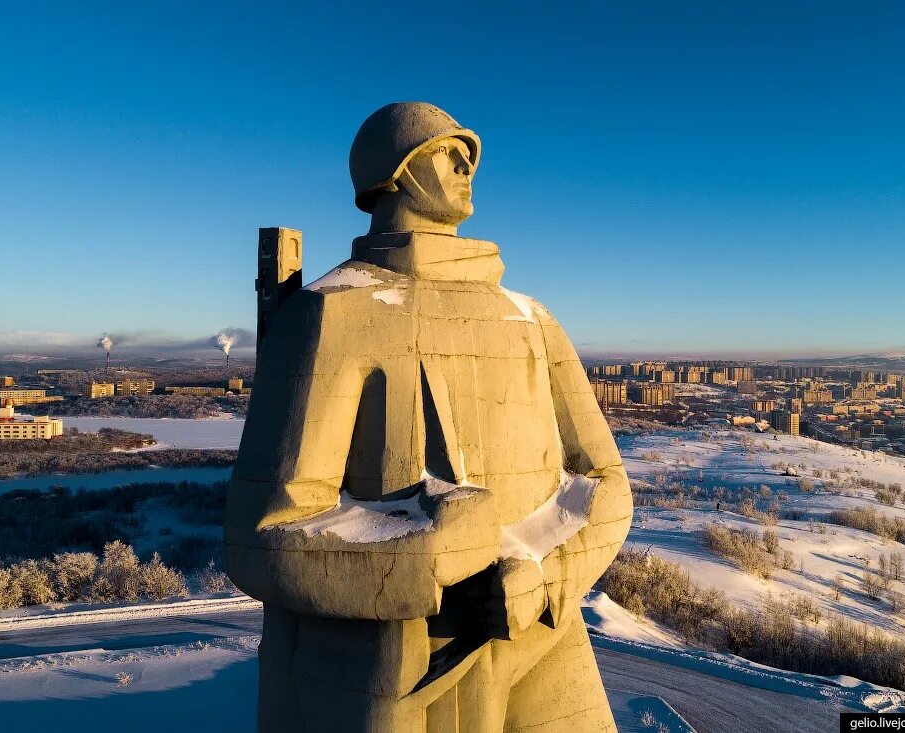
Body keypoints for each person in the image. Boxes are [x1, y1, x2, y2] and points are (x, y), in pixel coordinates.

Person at [225, 102, 633, 732]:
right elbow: (263, 533)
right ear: (393, 169)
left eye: (469, 153)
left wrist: (546, 573)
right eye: (447, 150)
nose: (468, 164)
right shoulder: (333, 314)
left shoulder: (530, 318)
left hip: (547, 643)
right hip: (405, 669)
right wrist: (430, 555)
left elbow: (604, 481)